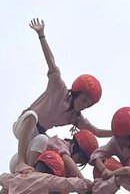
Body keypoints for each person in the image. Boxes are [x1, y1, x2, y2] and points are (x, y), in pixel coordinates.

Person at [13, 19, 105, 161]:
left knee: (48, 143)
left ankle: (28, 170)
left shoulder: (75, 117)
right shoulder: (58, 88)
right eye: (84, 99)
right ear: (76, 92)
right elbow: (51, 63)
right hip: (25, 124)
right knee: (32, 115)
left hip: (38, 135)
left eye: (88, 104)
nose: (84, 105)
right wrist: (41, 35)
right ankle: (20, 161)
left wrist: (123, 132)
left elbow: (97, 132)